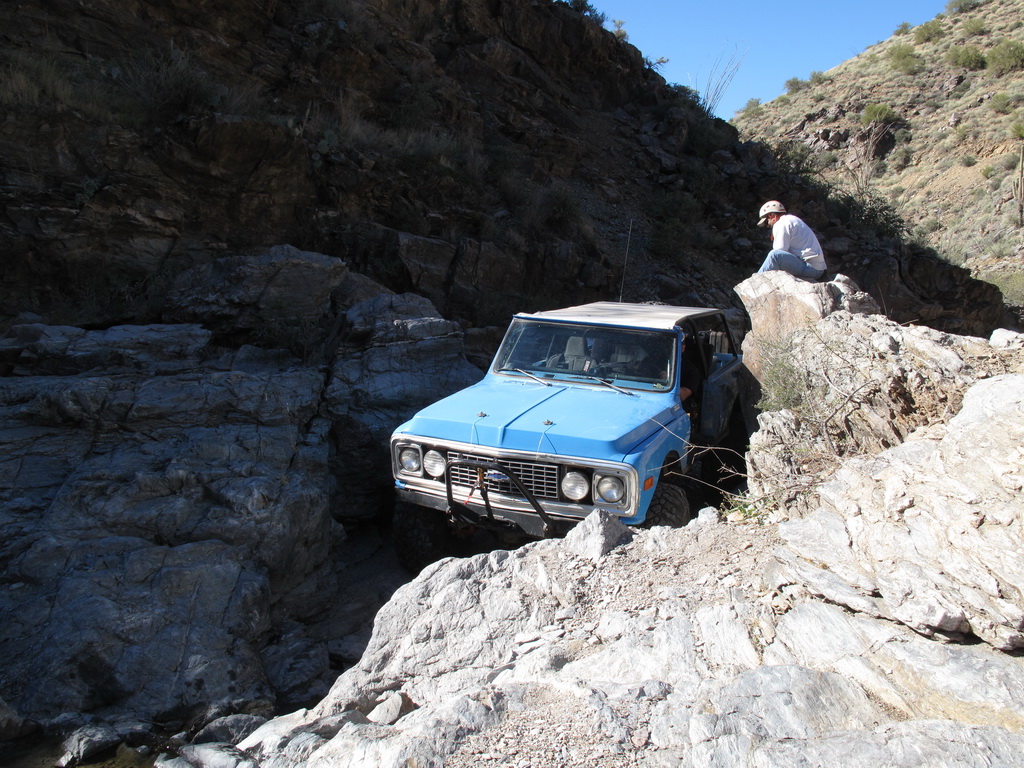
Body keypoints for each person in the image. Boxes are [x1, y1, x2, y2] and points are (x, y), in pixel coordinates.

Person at [755, 200, 826, 281]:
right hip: (815, 267)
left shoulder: (781, 223)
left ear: (772, 216)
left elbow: (780, 251)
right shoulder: (791, 219)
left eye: (767, 221)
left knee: (774, 256)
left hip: (811, 269)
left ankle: (756, 281)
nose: (767, 225)